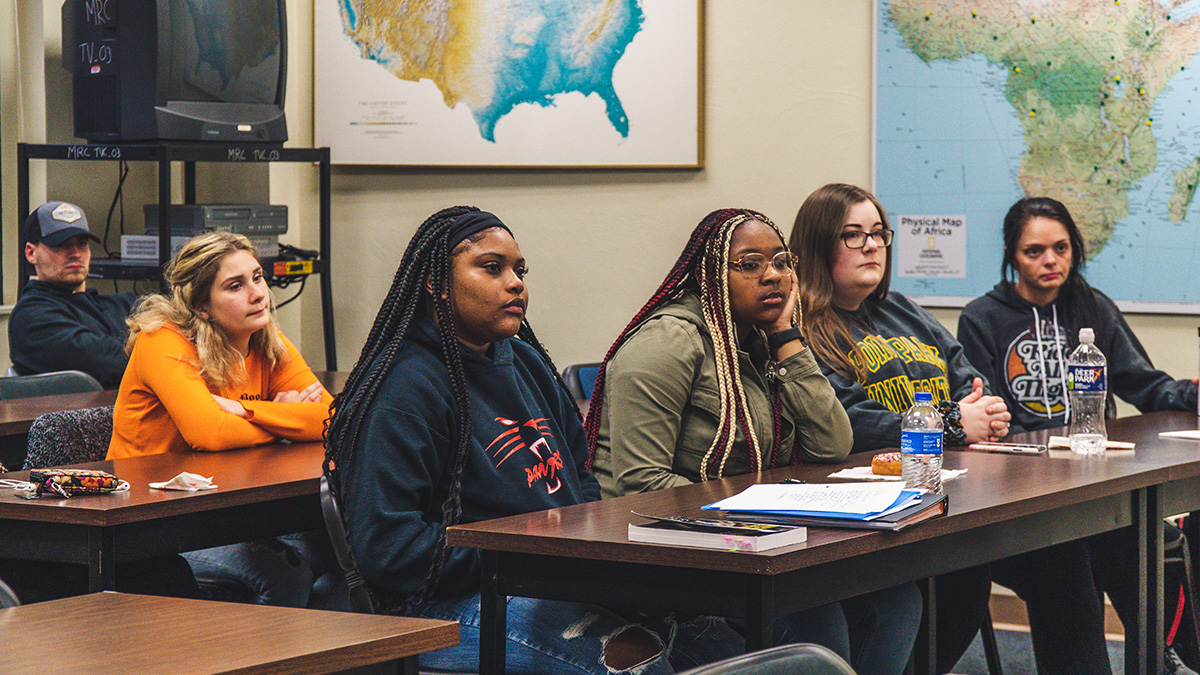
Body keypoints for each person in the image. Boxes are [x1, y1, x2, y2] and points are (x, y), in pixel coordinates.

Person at [324, 207, 744, 674]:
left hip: (541, 576)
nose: (515, 283)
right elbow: (391, 554)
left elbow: (580, 479)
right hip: (435, 605)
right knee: (632, 661)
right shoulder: (403, 389)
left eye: (519, 271)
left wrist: (566, 553)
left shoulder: (526, 362)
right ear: (435, 282)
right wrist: (526, 557)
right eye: (491, 268)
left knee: (718, 640)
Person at [791, 183, 1113, 675]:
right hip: (879, 510)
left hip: (961, 497)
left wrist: (981, 413)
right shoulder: (803, 330)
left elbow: (967, 376)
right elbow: (846, 420)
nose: (872, 245)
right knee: (959, 584)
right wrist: (953, 423)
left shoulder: (902, 309)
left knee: (1061, 557)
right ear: (818, 246)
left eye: (878, 233)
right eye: (853, 235)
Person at [586, 207, 921, 675]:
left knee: (897, 596)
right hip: (664, 549)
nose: (773, 276)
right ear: (709, 276)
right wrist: (752, 508)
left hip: (754, 540)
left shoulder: (761, 340)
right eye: (750, 265)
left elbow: (831, 445)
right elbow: (640, 484)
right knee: (816, 617)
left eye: (783, 263)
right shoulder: (667, 343)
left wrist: (787, 337)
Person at [957, 196, 1199, 674]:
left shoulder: (1093, 307)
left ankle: (1160, 658)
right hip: (1024, 499)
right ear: (1012, 255)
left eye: (1061, 248)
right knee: (1071, 566)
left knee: (1159, 551)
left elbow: (1143, 383)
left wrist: (1190, 395)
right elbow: (988, 427)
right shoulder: (981, 318)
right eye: (1034, 251)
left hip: (1093, 489)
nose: (1051, 261)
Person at [108, 231, 337, 608]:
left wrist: (252, 411)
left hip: (231, 509)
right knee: (285, 574)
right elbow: (211, 433)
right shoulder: (163, 340)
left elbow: (332, 421)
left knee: (334, 548)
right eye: (235, 286)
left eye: (258, 277)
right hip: (153, 522)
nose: (258, 294)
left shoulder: (264, 337)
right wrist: (286, 424)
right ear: (201, 307)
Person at [9, 201, 136, 388]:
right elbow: (109, 363)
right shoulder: (31, 317)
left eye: (82, 244)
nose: (75, 253)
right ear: (31, 253)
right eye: (61, 245)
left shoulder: (123, 304)